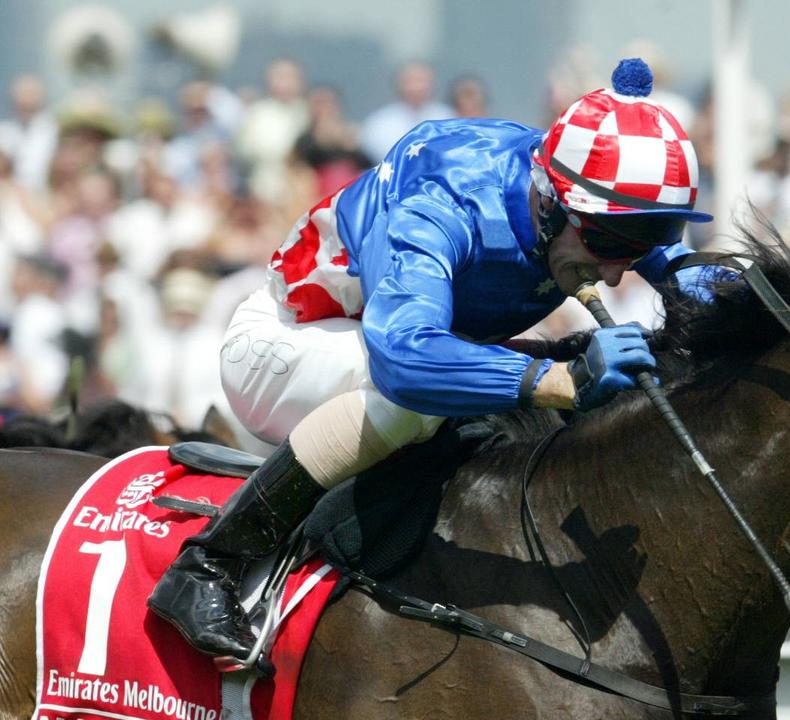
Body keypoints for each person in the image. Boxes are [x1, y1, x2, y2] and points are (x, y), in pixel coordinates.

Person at [147, 58, 714, 667]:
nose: (615, 272)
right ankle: (209, 565)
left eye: (638, 247)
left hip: (380, 339)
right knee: (419, 403)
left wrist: (688, 273)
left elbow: (628, 226)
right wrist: (561, 381)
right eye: (606, 246)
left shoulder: (572, 197)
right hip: (288, 343)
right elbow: (405, 359)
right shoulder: (443, 204)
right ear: (550, 202)